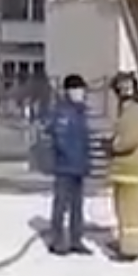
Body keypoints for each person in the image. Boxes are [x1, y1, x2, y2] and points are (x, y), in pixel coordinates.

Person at [107, 72, 138, 260]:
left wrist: (112, 145)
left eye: (126, 87)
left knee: (129, 212)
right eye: (120, 88)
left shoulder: (136, 111)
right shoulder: (127, 110)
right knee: (123, 209)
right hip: (125, 169)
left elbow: (130, 139)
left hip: (131, 169)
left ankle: (130, 249)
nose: (123, 91)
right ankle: (128, 242)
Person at [43, 74, 94, 255]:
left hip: (78, 167)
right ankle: (57, 240)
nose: (82, 93)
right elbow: (61, 139)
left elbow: (83, 140)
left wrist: (85, 162)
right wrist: (74, 160)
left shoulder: (80, 111)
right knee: (61, 204)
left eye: (82, 90)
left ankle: (75, 239)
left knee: (77, 206)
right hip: (66, 167)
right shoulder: (63, 112)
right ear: (70, 91)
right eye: (78, 90)